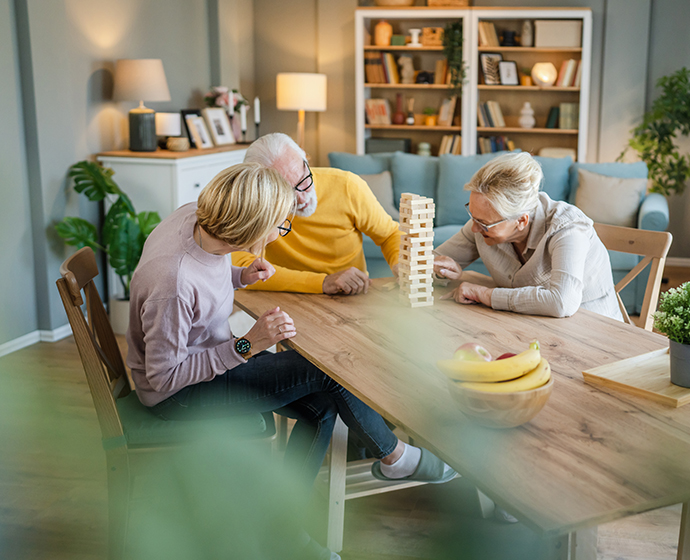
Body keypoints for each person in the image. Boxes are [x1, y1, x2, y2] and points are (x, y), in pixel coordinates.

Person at [126, 163, 455, 559]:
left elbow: (206, 274)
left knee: (322, 408)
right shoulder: (172, 283)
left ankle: (280, 529)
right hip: (179, 395)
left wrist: (239, 277)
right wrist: (248, 344)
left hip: (203, 361)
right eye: (279, 227)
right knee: (329, 373)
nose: (281, 233)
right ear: (246, 230)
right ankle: (395, 457)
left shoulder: (195, 218)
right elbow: (164, 378)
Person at [433, 152, 622, 321]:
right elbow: (426, 264)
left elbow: (562, 302)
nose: (474, 228)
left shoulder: (567, 228)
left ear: (521, 221)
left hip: (597, 334)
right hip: (529, 326)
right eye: (472, 215)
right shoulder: (482, 224)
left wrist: (485, 294)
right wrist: (436, 270)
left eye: (483, 223)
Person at [231, 133, 401, 295]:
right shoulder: (255, 204)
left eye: (303, 180)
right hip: (285, 297)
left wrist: (399, 262)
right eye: (286, 192)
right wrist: (322, 282)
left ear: (305, 159)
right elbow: (239, 269)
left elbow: (389, 235)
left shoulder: (347, 185)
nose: (302, 198)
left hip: (350, 294)